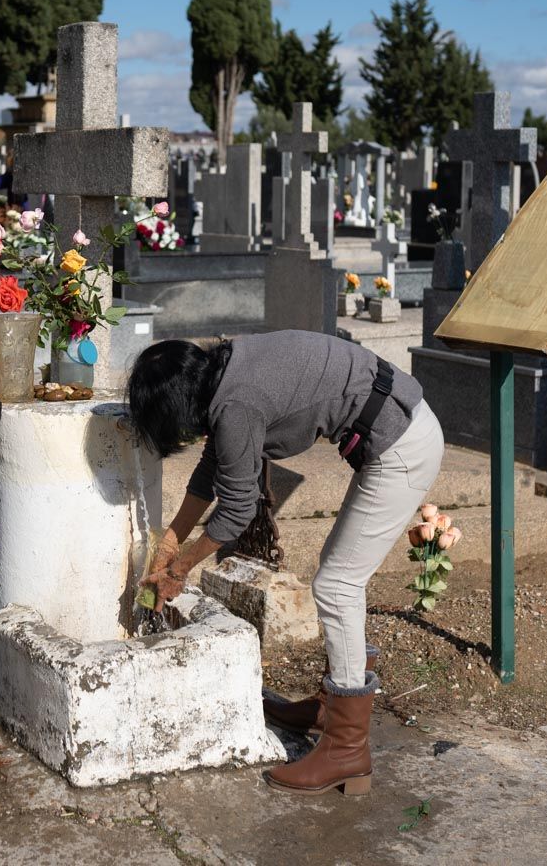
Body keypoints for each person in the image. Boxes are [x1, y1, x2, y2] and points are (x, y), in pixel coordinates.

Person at [126, 331, 444, 797]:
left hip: (404, 447)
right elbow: (216, 464)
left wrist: (179, 570)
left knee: (337, 584)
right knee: (338, 575)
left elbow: (236, 510)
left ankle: (346, 748)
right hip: (401, 424)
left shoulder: (236, 407)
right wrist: (172, 538)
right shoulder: (225, 371)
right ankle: (327, 709)